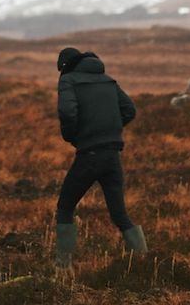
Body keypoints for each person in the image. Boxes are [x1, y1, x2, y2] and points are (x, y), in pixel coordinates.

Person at [55, 46, 147, 266]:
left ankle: (63, 266)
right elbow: (129, 110)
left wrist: (73, 136)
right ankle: (145, 262)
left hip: (89, 155)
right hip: (112, 155)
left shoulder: (68, 80)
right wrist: (109, 131)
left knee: (65, 207)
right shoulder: (107, 80)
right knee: (119, 214)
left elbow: (67, 112)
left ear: (65, 66)